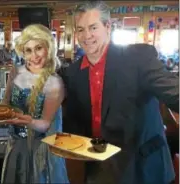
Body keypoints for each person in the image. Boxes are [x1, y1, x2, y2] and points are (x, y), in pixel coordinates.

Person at [62, 1, 179, 184]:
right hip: (99, 167)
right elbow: (74, 123)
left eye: (93, 28)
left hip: (142, 167)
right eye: (80, 29)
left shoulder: (138, 58)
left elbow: (174, 91)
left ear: (108, 27)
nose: (87, 36)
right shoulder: (73, 72)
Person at [0, 24, 69, 184]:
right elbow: (5, 104)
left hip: (42, 153)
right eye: (28, 50)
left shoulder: (55, 82)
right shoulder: (15, 72)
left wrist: (24, 120)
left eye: (39, 48)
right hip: (16, 147)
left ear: (48, 48)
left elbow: (44, 124)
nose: (34, 56)